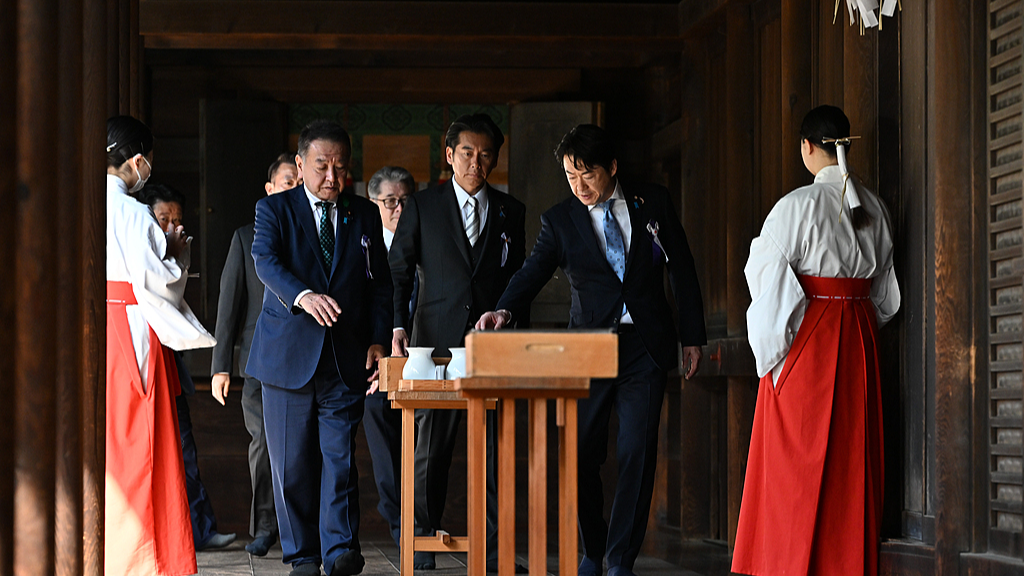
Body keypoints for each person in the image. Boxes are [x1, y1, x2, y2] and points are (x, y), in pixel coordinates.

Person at [476, 124, 707, 576]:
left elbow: (682, 269)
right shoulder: (560, 220)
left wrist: (693, 336)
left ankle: (621, 559)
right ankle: (593, 546)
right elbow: (532, 271)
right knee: (580, 453)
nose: (580, 186)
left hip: (645, 346)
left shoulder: (652, 201)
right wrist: (502, 311)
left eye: (588, 175)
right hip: (586, 348)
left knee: (637, 452)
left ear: (612, 167)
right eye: (570, 176)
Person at [731, 105, 900, 576]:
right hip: (860, 336)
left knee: (795, 465)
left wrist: (773, 357)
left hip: (810, 337)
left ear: (807, 146)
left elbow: (768, 283)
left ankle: (788, 564)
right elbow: (885, 296)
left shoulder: (795, 206)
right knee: (852, 460)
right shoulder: (875, 206)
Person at [246, 119, 393, 576]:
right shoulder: (274, 210)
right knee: (291, 467)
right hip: (287, 356)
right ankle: (304, 555)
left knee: (340, 460)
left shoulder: (364, 213)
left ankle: (340, 551)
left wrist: (378, 338)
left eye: (341, 168)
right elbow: (265, 261)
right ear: (300, 163)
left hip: (345, 355)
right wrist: (303, 296)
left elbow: (381, 284)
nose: (333, 177)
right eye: (322, 166)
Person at [389, 113, 526, 572]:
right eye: (467, 152)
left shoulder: (511, 211)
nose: (476, 162)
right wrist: (397, 326)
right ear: (450, 156)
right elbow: (398, 272)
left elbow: (518, 280)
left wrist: (510, 328)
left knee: (493, 449)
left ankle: (492, 551)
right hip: (435, 344)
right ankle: (422, 541)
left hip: (492, 347)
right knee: (432, 448)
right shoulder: (423, 206)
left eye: (486, 154)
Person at [105, 115, 216, 576]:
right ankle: (140, 556)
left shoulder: (74, 200)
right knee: (143, 441)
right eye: (147, 161)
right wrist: (177, 251)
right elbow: (162, 283)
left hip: (96, 323)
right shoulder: (133, 213)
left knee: (110, 441)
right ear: (137, 161)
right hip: (130, 327)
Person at [210, 153, 301, 556]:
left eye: (300, 182)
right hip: (258, 358)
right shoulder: (246, 237)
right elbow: (229, 306)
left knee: (304, 446)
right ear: (269, 190)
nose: (294, 189)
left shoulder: (318, 235)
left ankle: (302, 530)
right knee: (264, 443)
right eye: (287, 182)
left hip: (306, 355)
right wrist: (220, 366)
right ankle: (264, 526)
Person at [141, 183, 236, 553]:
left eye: (177, 220)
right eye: (163, 219)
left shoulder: (178, 248)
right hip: (136, 358)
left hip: (169, 363)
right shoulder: (135, 247)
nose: (171, 228)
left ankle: (200, 529)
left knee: (184, 447)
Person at [363, 165, 416, 547]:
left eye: (405, 201)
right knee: (381, 425)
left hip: (424, 354)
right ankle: (400, 522)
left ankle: (421, 521)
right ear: (374, 203)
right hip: (373, 360)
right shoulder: (364, 244)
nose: (398, 209)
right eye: (390, 202)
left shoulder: (426, 240)